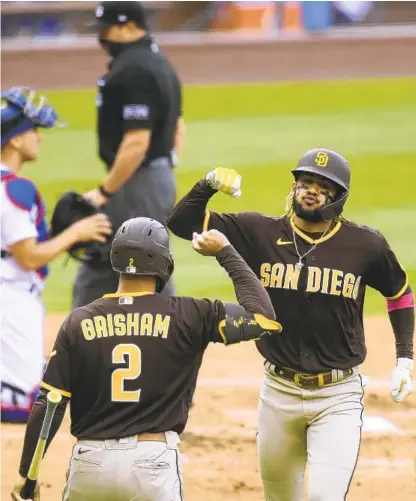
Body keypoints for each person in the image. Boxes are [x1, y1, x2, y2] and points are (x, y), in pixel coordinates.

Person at [167, 152, 415, 501]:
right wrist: (206, 184)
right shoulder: (260, 232)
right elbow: (181, 223)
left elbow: (400, 293)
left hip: (337, 396)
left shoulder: (365, 245)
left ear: (338, 198)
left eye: (323, 187)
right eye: (306, 182)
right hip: (277, 392)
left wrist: (405, 358)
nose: (311, 190)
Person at [11, 217, 282, 501]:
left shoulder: (78, 321)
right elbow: (263, 318)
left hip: (90, 464)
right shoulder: (189, 315)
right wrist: (226, 251)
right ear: (164, 262)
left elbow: (50, 403)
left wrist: (27, 477)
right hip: (151, 464)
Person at [0, 87, 112, 424]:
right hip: (12, 304)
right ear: (16, 140)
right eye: (34, 131)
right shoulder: (16, 188)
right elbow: (29, 257)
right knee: (25, 407)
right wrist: (76, 233)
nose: (40, 139)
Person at [72, 0, 183, 308]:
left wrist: (104, 192)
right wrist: (165, 168)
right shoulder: (158, 61)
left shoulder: (134, 69)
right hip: (155, 176)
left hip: (138, 180)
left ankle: (77, 343)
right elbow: (179, 126)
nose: (101, 38)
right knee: (148, 258)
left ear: (129, 26)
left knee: (105, 258)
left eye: (107, 29)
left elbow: (137, 142)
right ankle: (167, 338)